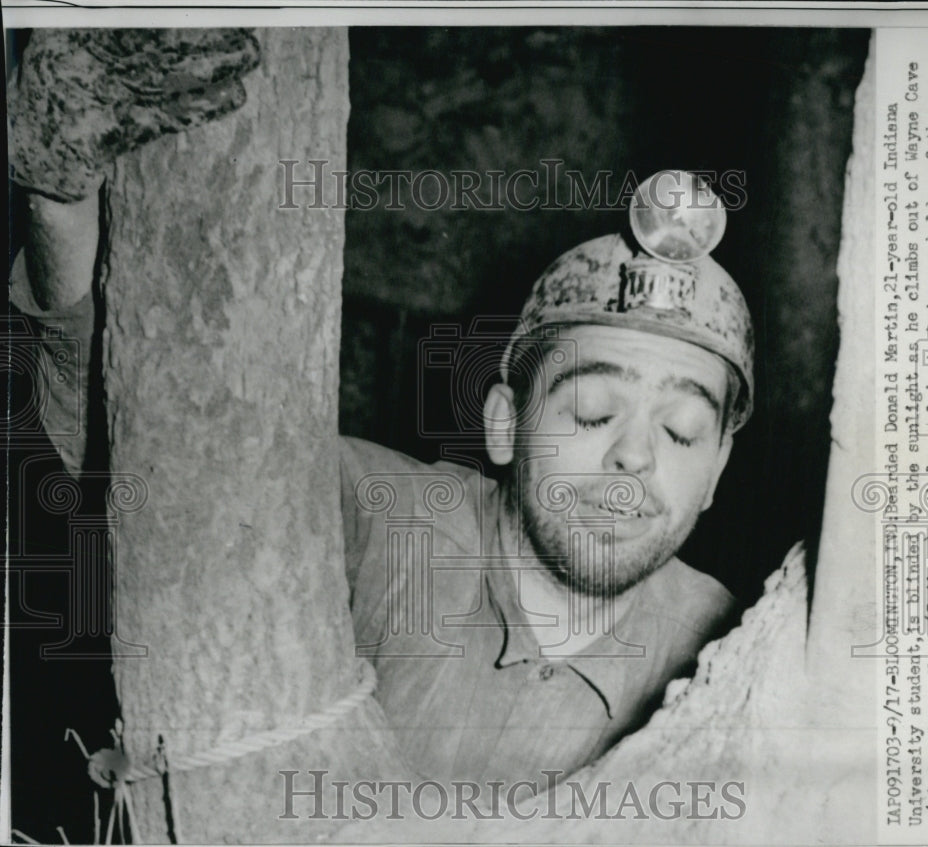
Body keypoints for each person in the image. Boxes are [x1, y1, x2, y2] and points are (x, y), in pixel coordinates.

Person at [10, 29, 752, 789]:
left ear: (717, 468)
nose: (637, 455)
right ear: (505, 422)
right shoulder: (372, 520)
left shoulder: (739, 650)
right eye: (595, 411)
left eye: (682, 430)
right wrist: (58, 204)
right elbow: (150, 454)